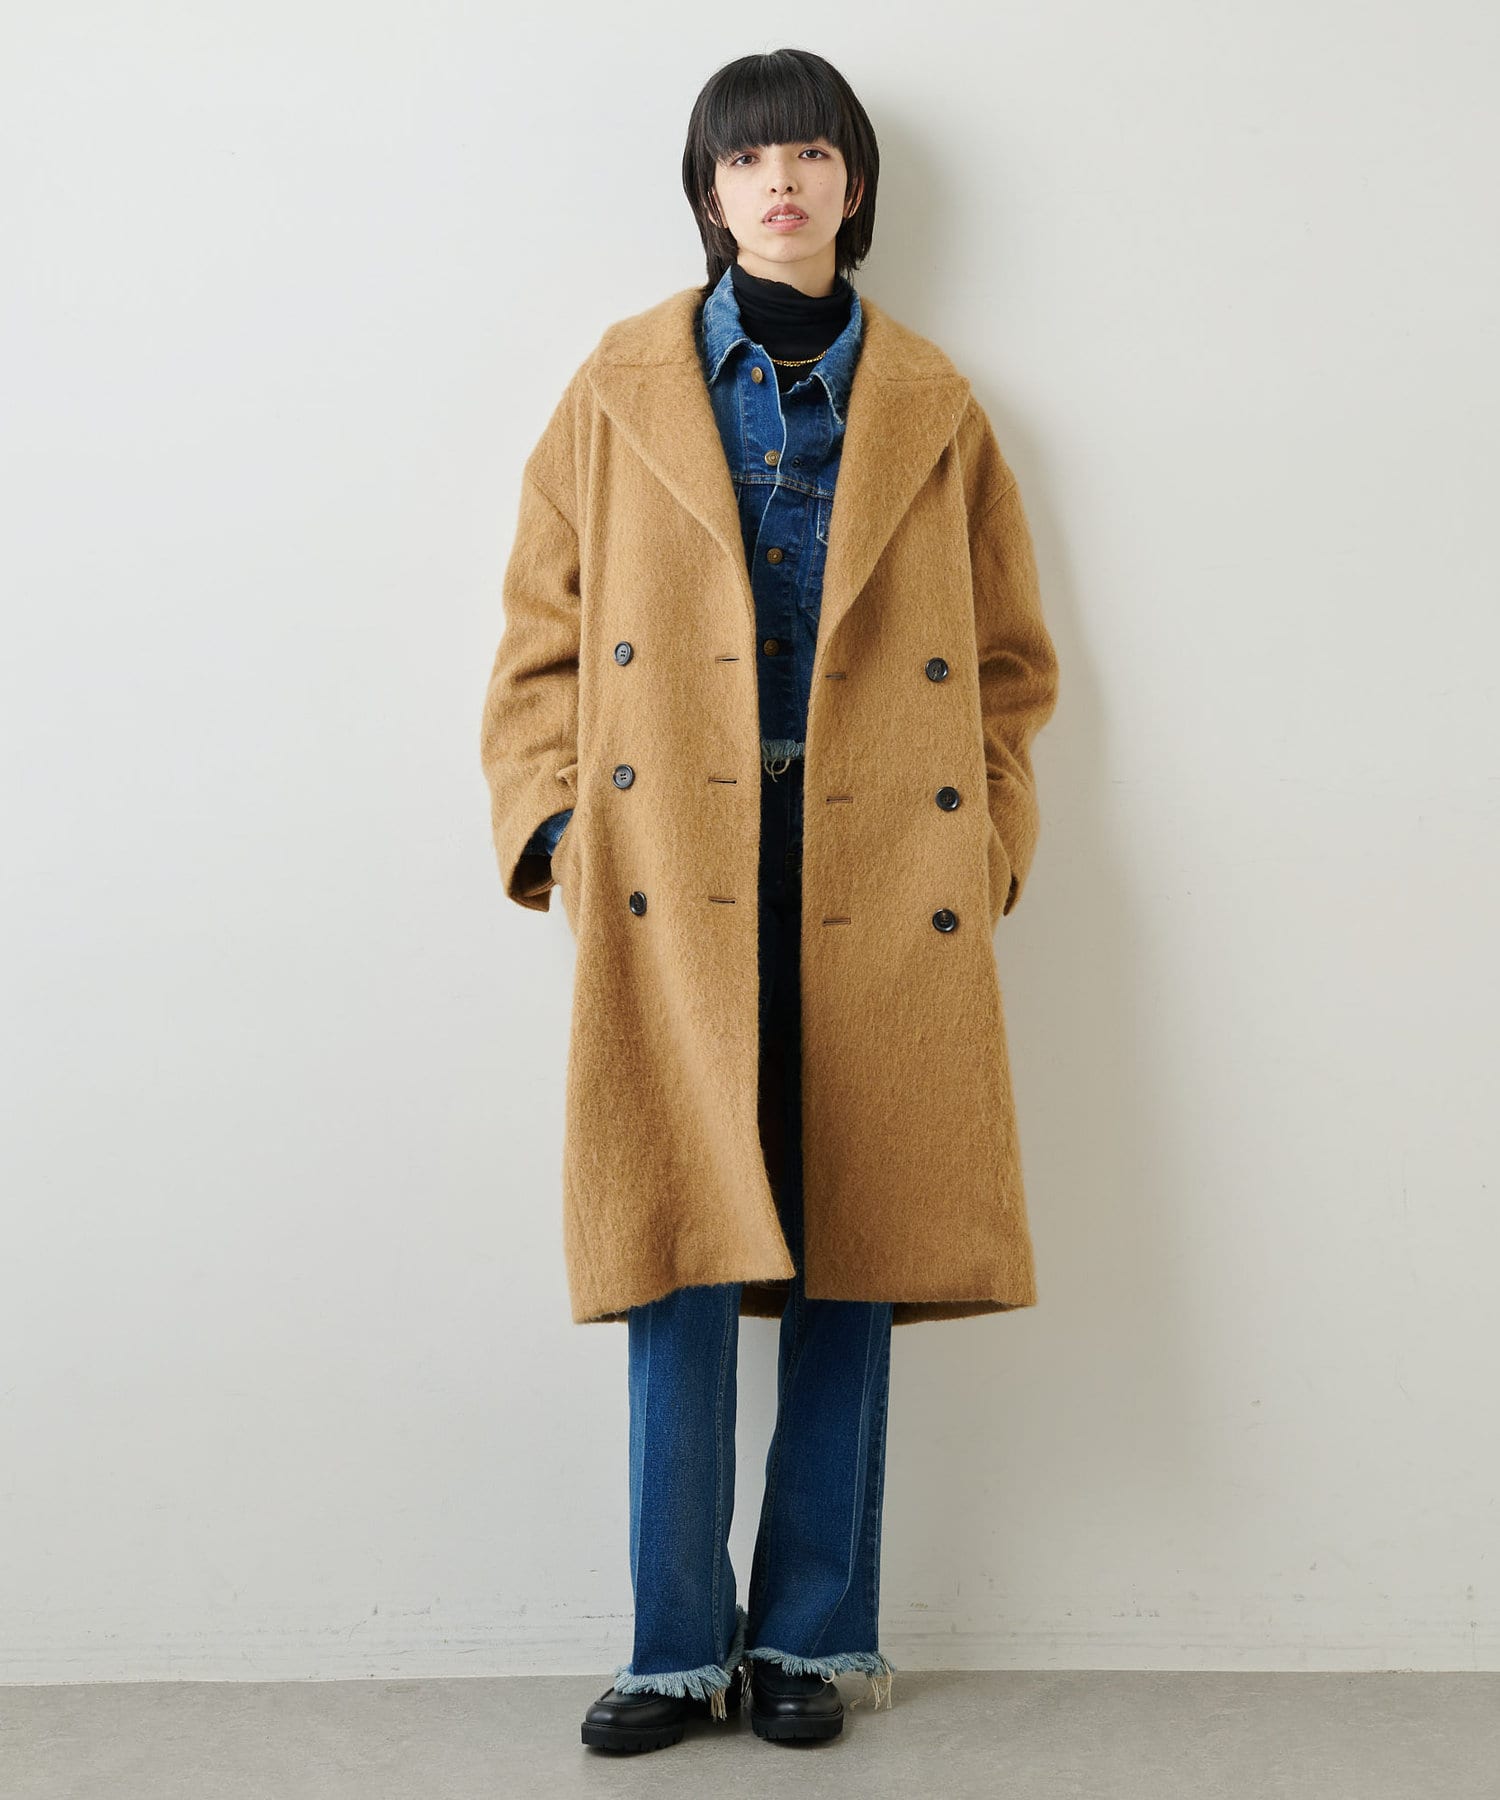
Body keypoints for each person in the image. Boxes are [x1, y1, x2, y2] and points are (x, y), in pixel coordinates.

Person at [479, 47, 1060, 1756]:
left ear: (853, 187)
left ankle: (815, 1636)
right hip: (675, 867)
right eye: (747, 161)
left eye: (809, 155)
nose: (780, 183)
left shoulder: (938, 406)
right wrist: (559, 833)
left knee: (849, 1256)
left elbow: (1011, 667)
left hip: (881, 867)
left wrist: (986, 846)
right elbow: (539, 641)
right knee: (674, 1247)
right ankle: (675, 1647)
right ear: (709, 192)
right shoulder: (617, 390)